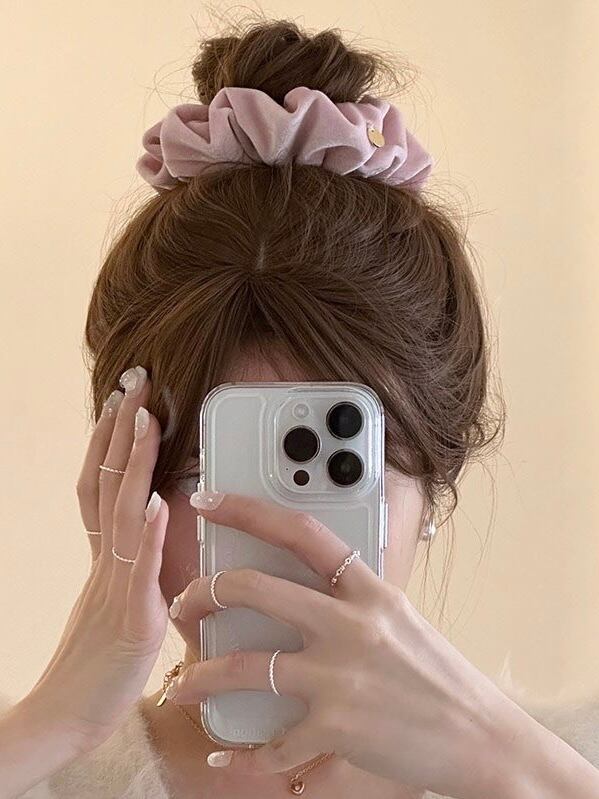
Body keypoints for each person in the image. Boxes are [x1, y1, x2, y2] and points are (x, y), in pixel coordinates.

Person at [1, 16, 598, 799]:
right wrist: (51, 726)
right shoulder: (37, 769)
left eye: (335, 467)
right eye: (205, 472)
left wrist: (515, 769)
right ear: (121, 481)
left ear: (432, 485)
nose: (271, 535)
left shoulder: (569, 763)